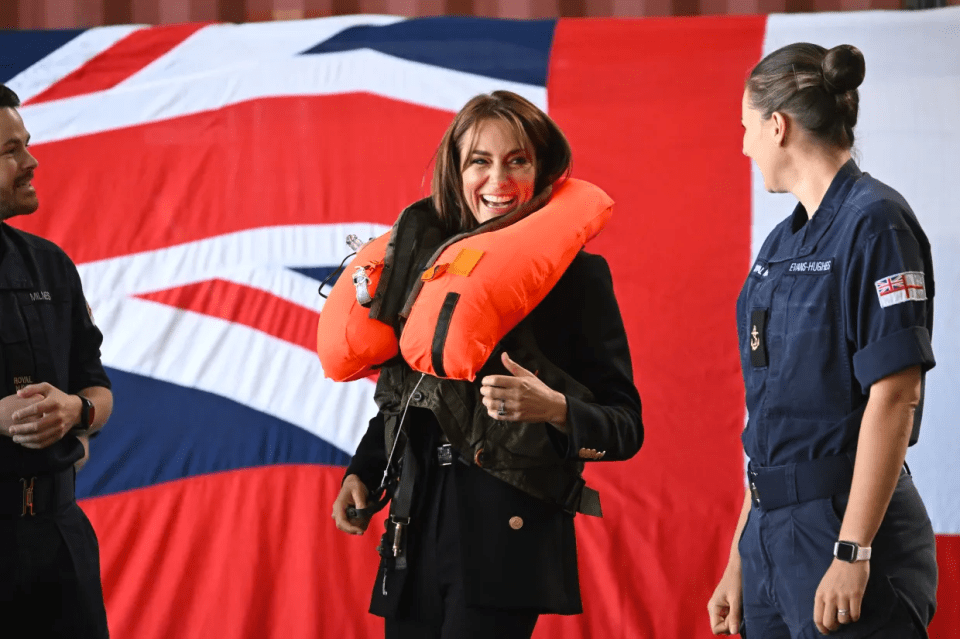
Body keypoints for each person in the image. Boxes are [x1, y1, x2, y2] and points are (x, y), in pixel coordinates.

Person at [331, 90, 643, 638]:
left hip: (502, 543)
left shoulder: (578, 279)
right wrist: (362, 471)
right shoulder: (425, 268)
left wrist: (555, 408)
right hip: (414, 530)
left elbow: (625, 426)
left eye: (516, 160)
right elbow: (408, 399)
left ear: (541, 170)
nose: (497, 179)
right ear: (456, 172)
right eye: (480, 161)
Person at [707, 44, 937, 638]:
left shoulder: (875, 221)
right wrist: (740, 557)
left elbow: (896, 396)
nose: (743, 146)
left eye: (746, 128)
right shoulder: (780, 245)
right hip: (769, 537)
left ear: (776, 126)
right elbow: (772, 420)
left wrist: (853, 550)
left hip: (842, 529)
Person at [0, 84, 114, 637]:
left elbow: (98, 389)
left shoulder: (49, 266)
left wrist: (76, 411)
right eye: (10, 152)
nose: (31, 161)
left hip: (59, 537)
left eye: (26, 144)